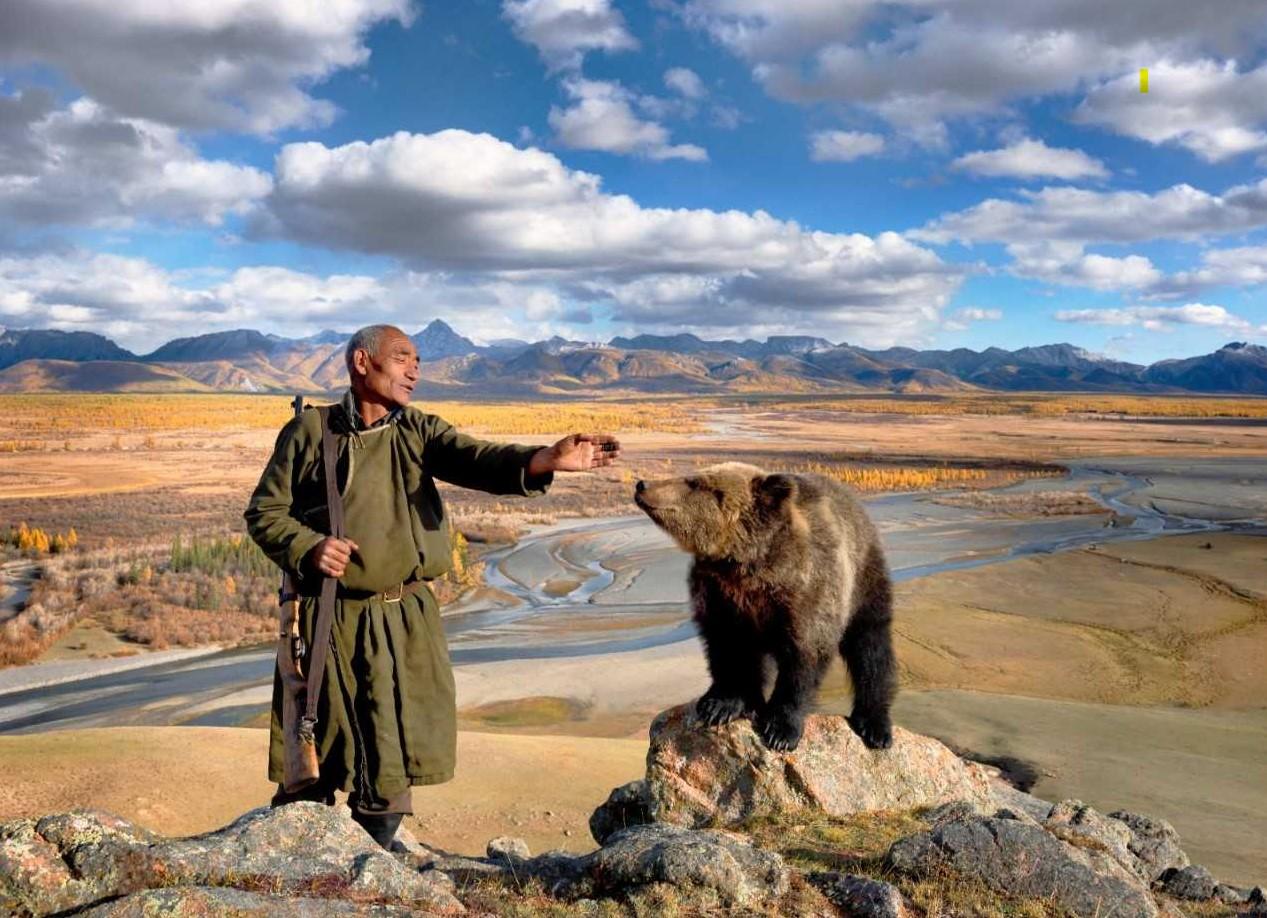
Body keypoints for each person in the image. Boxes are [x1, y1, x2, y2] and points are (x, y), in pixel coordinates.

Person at [244, 323, 620, 847]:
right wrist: (308, 547)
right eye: (402, 357)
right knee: (316, 757)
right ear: (361, 362)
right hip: (331, 617)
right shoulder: (311, 433)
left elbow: (477, 458)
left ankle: (371, 866)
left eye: (418, 360)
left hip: (405, 622)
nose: (415, 369)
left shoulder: (418, 431)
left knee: (392, 758)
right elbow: (265, 512)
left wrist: (543, 460)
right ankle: (304, 870)